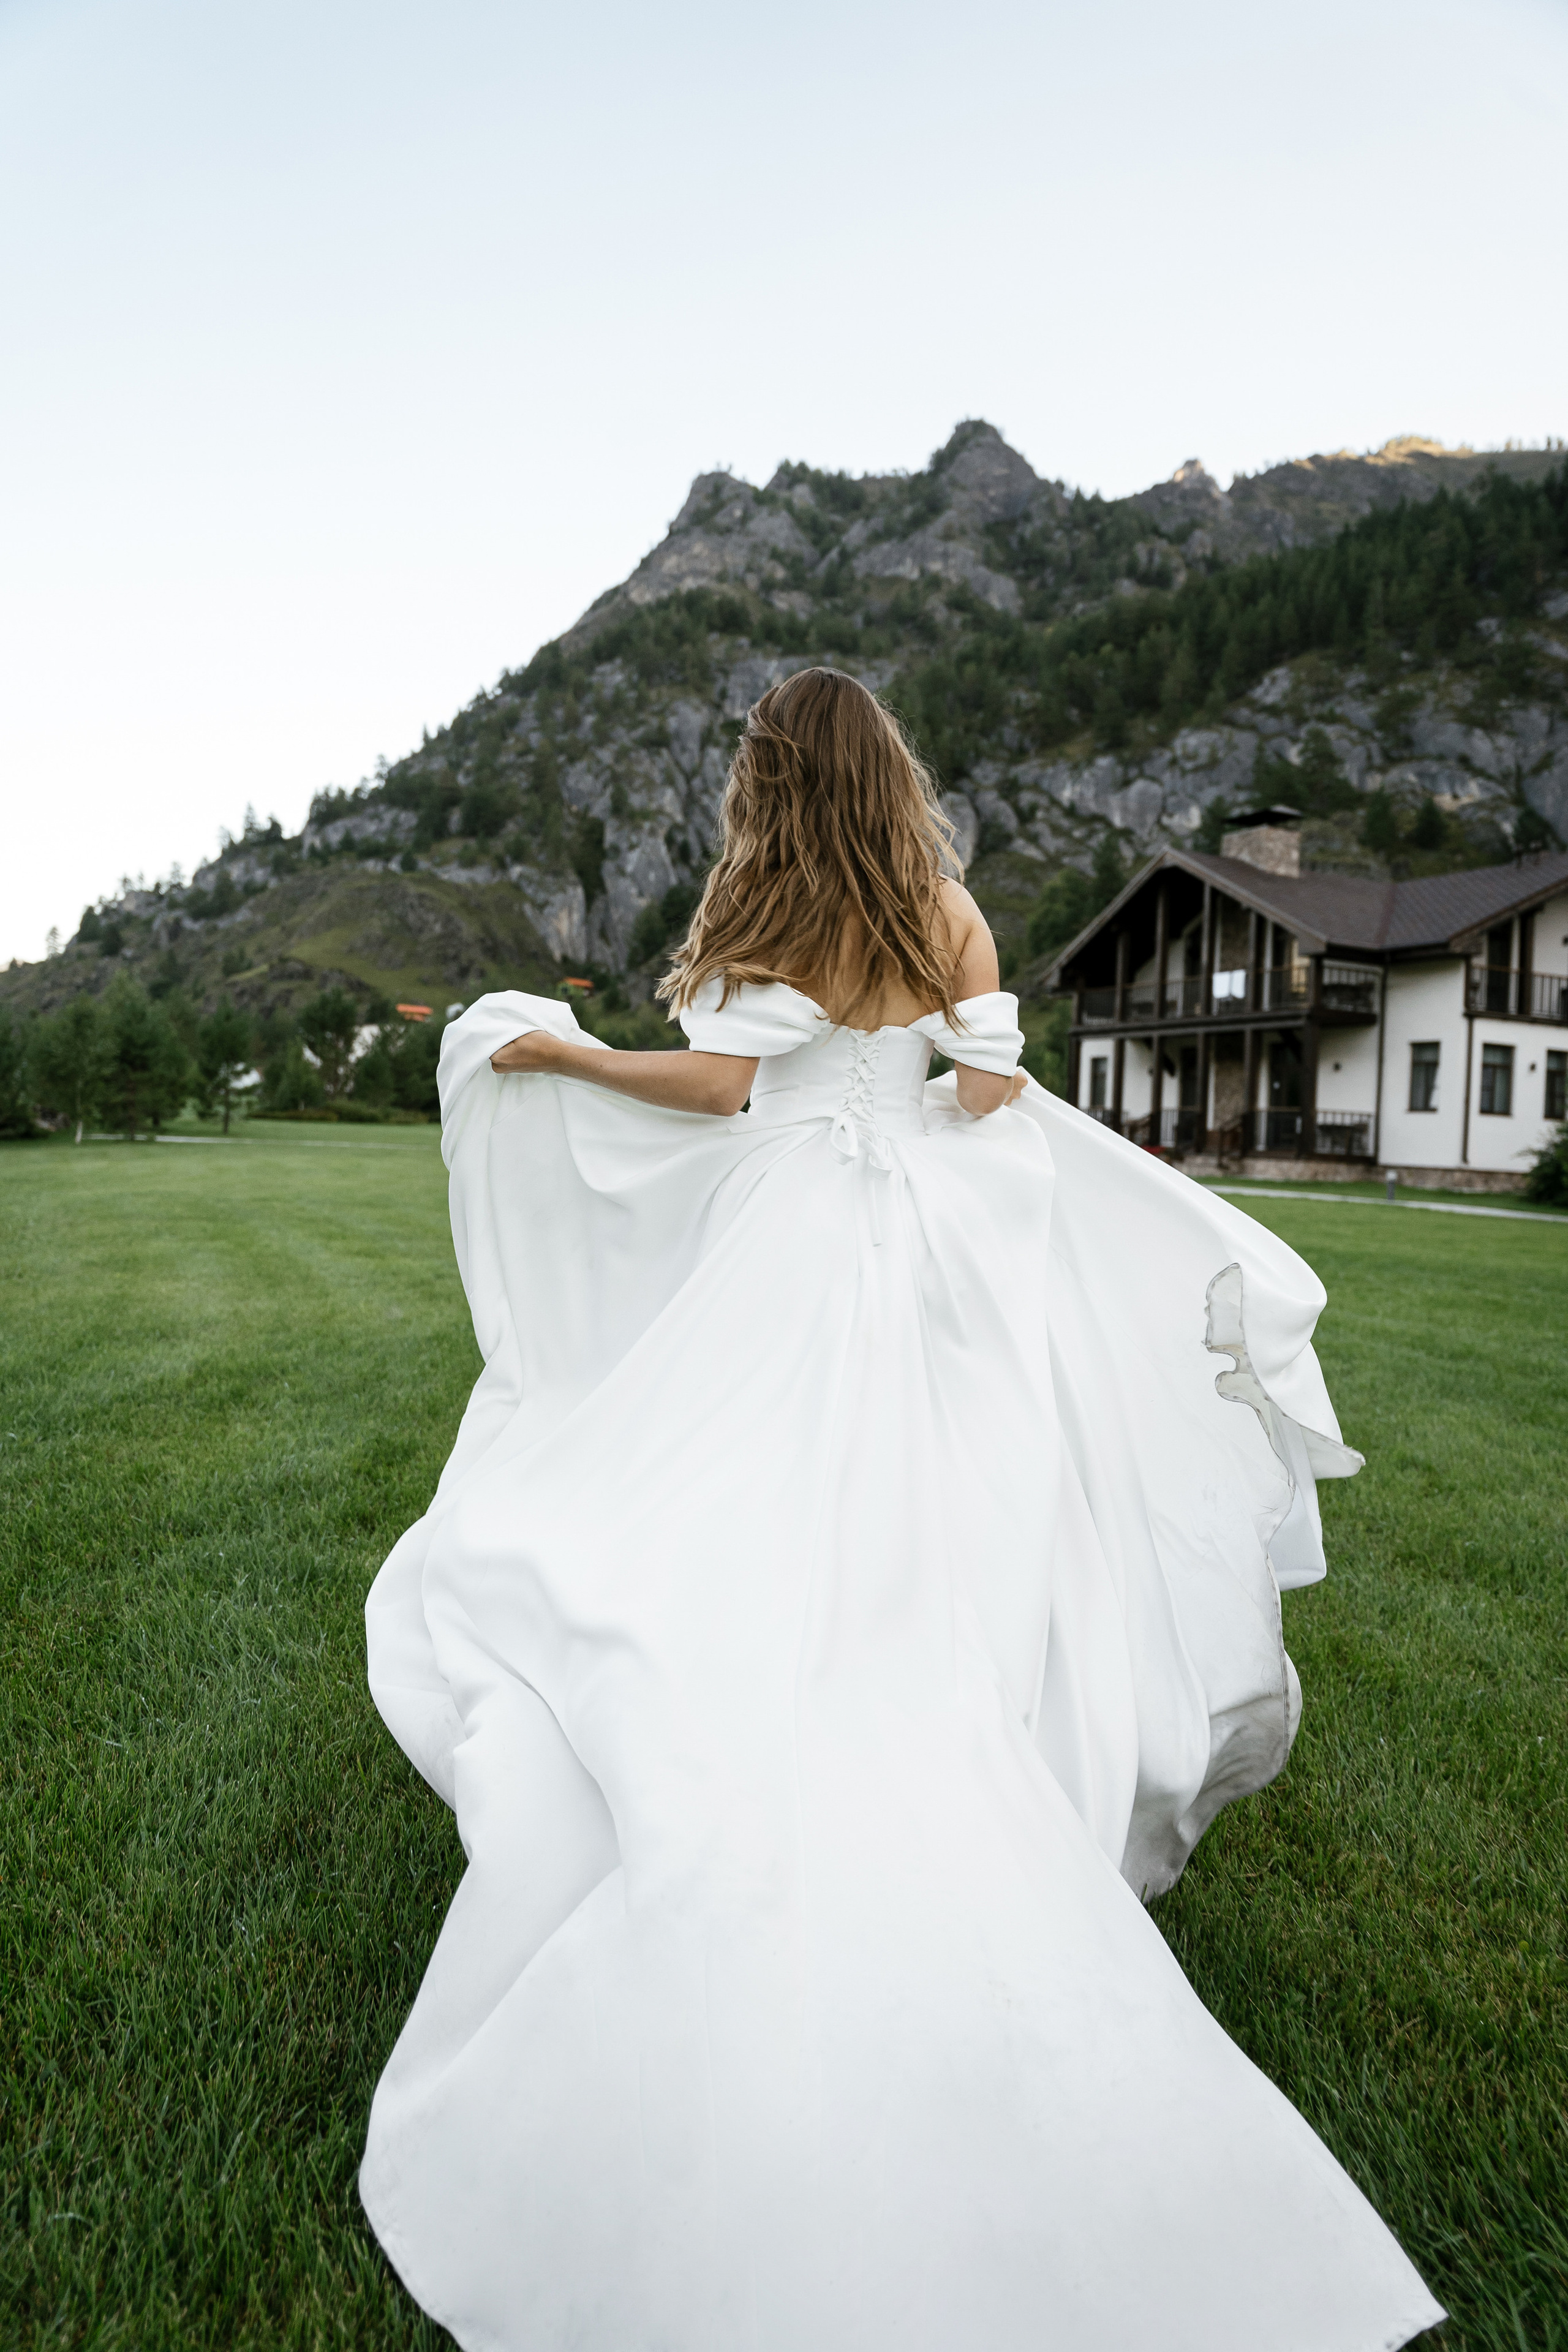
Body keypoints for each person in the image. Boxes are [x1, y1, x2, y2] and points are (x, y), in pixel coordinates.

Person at [359, 669, 1442, 2351]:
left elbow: (725, 1095)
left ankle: (777, 1716)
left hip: (787, 1237)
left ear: (772, 782)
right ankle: (980, 1756)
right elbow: (995, 1096)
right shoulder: (946, 912)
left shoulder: (768, 903)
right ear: (891, 776)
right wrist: (913, 1114)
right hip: (924, 1250)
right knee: (949, 1519)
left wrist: (562, 1051)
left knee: (726, 1491)